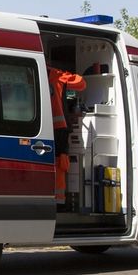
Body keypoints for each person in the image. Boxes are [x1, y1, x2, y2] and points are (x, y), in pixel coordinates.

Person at [48, 64, 86, 205]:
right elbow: (81, 83)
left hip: (41, 126)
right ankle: (59, 200)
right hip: (58, 127)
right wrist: (63, 72)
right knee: (61, 163)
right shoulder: (56, 75)